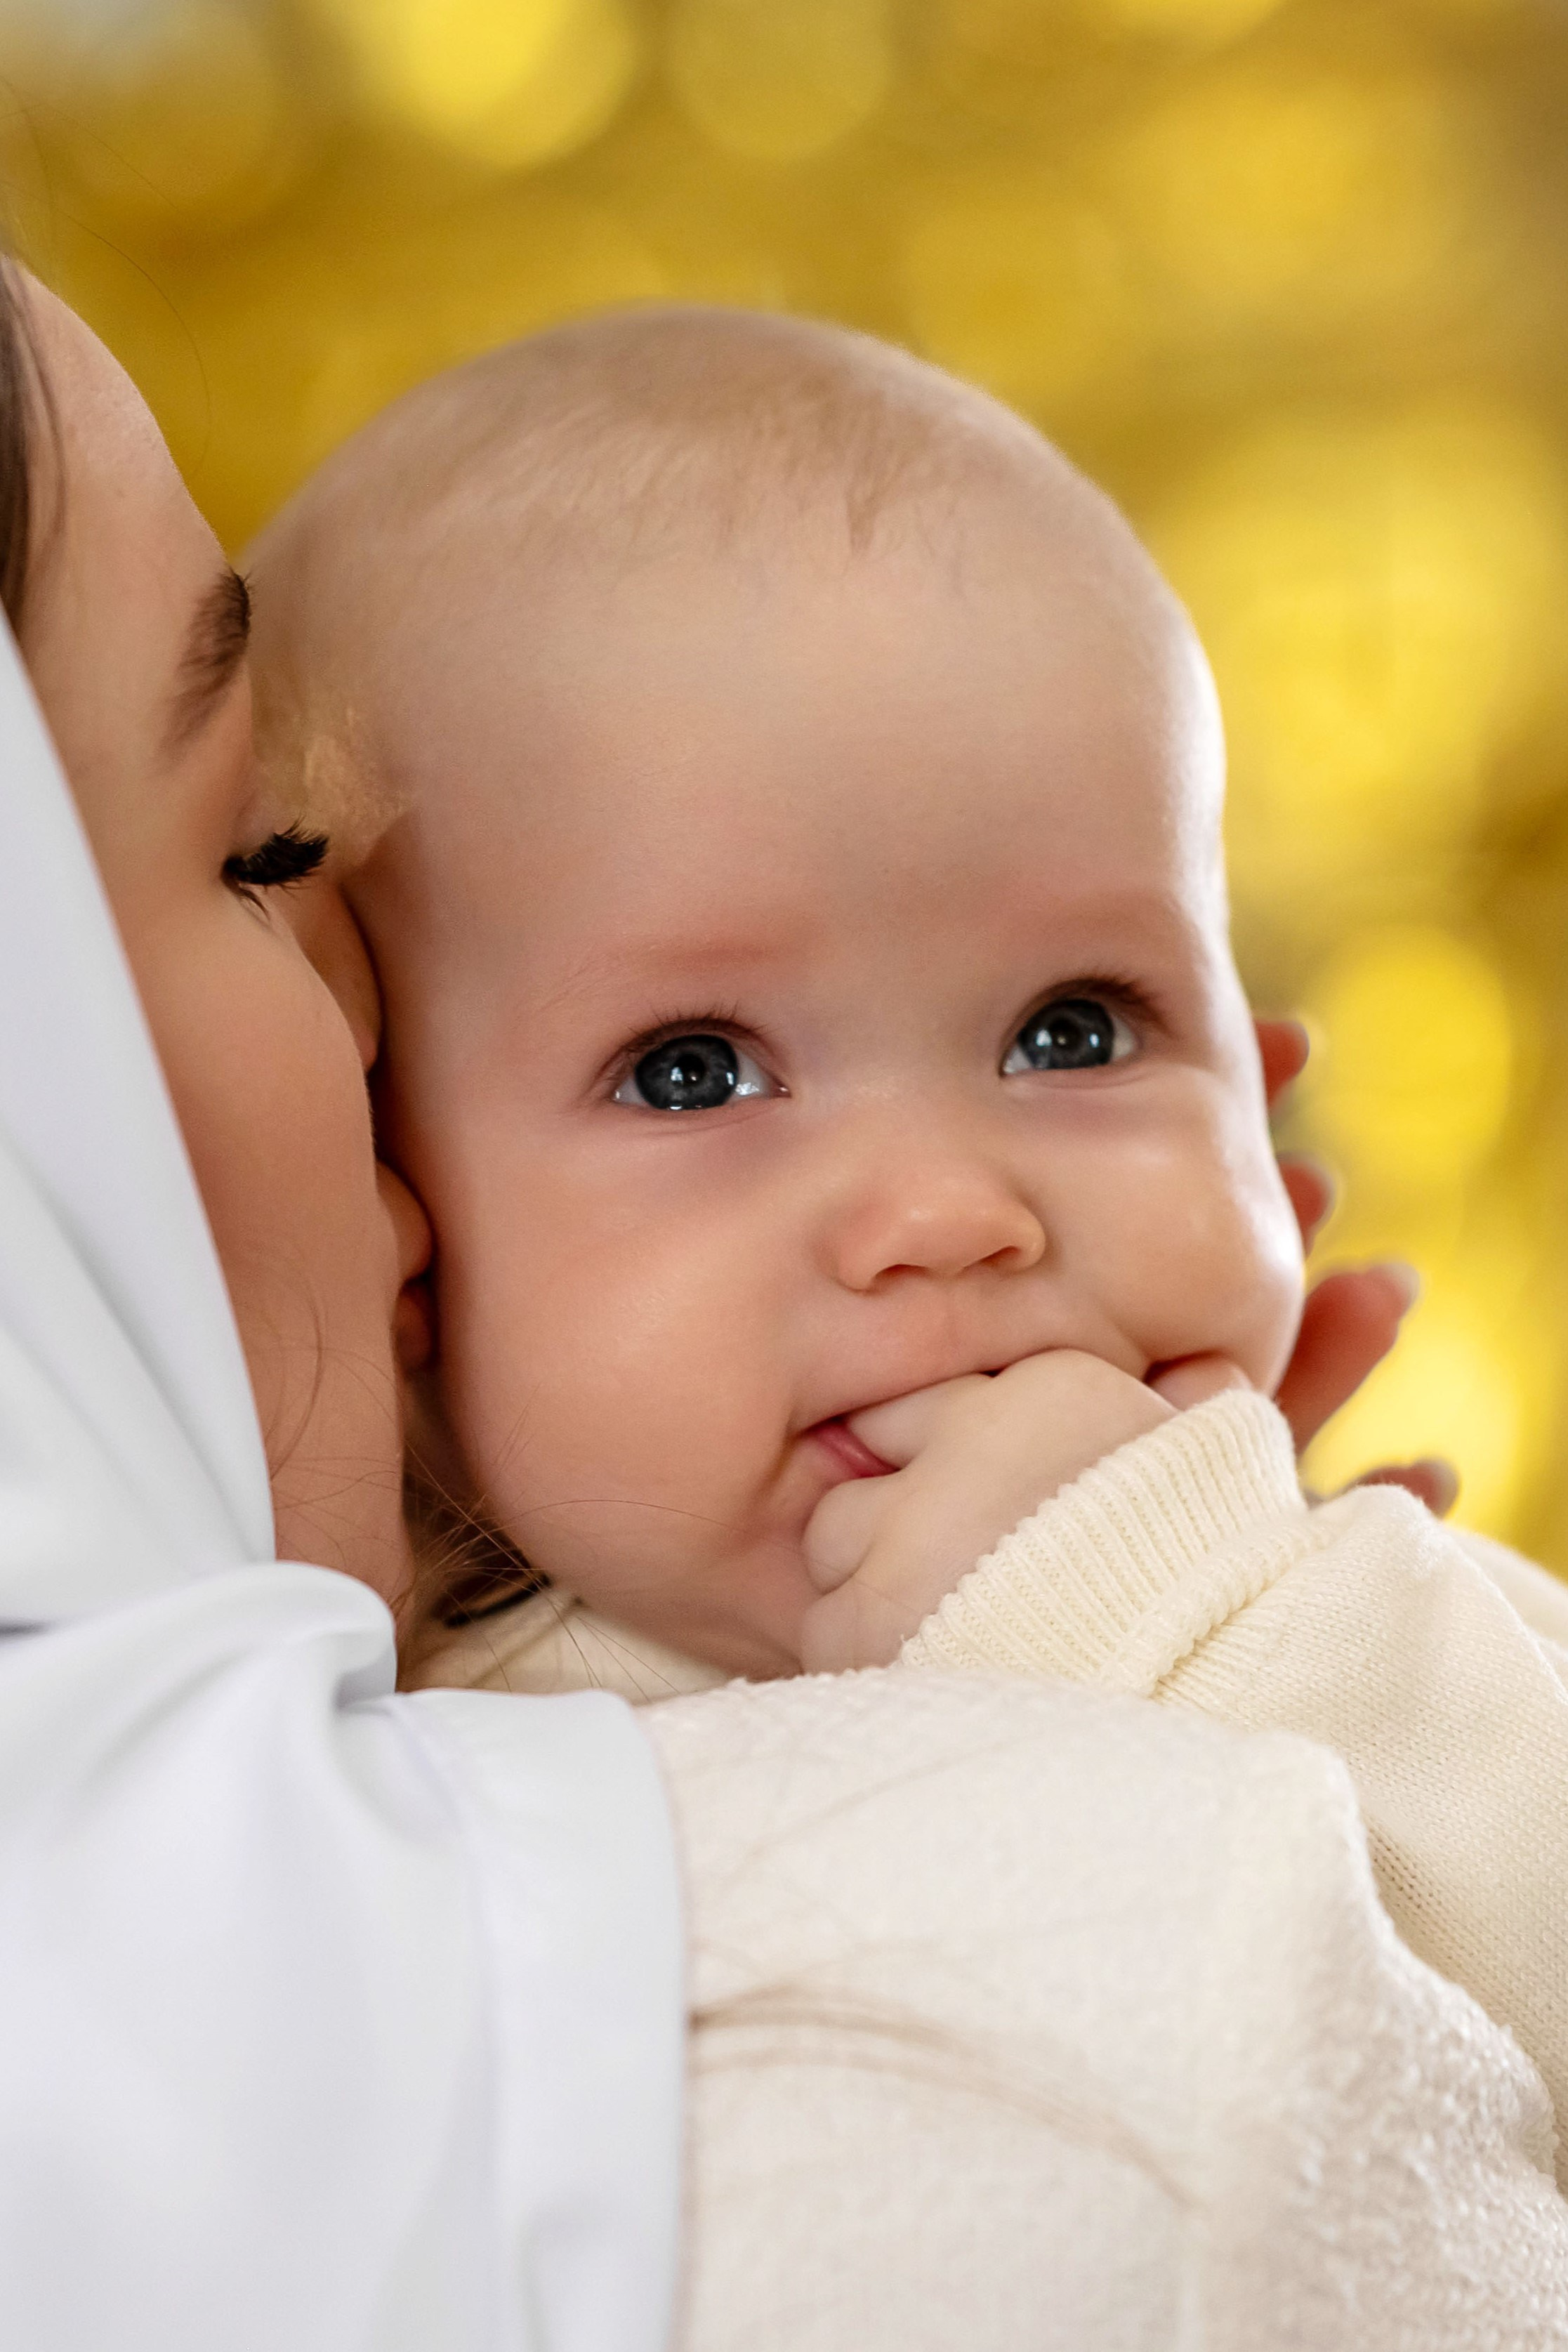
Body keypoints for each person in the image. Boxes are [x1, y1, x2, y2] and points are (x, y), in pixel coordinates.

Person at [6, 262, 1568, 2347]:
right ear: (405, 1204)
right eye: (691, 1073)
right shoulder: (329, 1759)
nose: (951, 1215)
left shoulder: (1371, 1624)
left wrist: (1217, 1624)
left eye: (1079, 1028)